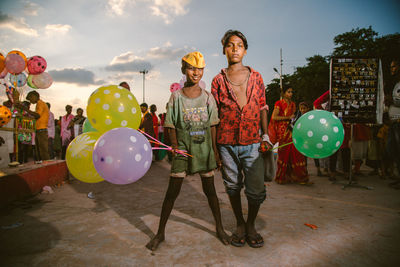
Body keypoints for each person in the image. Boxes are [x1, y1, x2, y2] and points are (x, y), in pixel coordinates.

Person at [146, 51, 230, 251]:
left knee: (210, 192)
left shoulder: (208, 98)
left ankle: (219, 228)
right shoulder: (176, 97)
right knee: (171, 193)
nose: (196, 72)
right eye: (192, 68)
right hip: (183, 152)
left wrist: (216, 153)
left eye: (200, 68)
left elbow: (213, 126)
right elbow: (170, 125)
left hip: (204, 151)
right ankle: (160, 233)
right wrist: (174, 146)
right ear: (184, 70)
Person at [211, 30, 271, 248]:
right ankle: (239, 223)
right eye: (230, 45)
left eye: (239, 45)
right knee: (232, 186)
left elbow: (263, 106)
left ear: (245, 50)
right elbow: (214, 116)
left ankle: (251, 223)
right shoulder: (218, 80)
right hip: (226, 143)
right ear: (224, 50)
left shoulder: (256, 76)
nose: (235, 49)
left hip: (253, 142)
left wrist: (265, 135)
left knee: (256, 190)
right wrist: (215, 149)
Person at [269, 86, 310, 185]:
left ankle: (298, 176)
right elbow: (274, 117)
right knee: (284, 154)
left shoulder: (293, 104)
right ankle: (282, 177)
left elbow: (294, 118)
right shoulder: (278, 103)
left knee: (296, 153)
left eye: (292, 92)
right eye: (288, 92)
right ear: (283, 93)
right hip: (283, 132)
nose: (291, 94)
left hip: (293, 130)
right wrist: (287, 117)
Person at [17, 90, 50, 162]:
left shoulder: (40, 103)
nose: (30, 101)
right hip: (39, 130)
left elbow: (37, 115)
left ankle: (47, 167)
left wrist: (25, 109)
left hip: (41, 130)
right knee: (39, 152)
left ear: (34, 96)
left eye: (30, 98)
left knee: (43, 152)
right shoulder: (39, 104)